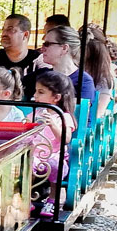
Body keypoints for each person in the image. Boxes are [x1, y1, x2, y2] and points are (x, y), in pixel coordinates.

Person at [30, 69, 76, 219]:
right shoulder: (36, 113)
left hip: (54, 154)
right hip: (35, 154)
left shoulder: (64, 117)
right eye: (36, 91)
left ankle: (53, 198)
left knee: (55, 164)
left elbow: (66, 139)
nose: (35, 95)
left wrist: (53, 125)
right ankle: (26, 196)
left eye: (41, 92)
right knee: (27, 163)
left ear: (56, 97)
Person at [0, 14, 43, 97]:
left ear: (25, 35)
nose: (4, 33)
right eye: (3, 30)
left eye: (10, 30)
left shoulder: (38, 60)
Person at [39, 25, 95, 110]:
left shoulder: (84, 81)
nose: (42, 49)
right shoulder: (41, 75)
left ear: (64, 48)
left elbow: (81, 115)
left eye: (47, 44)